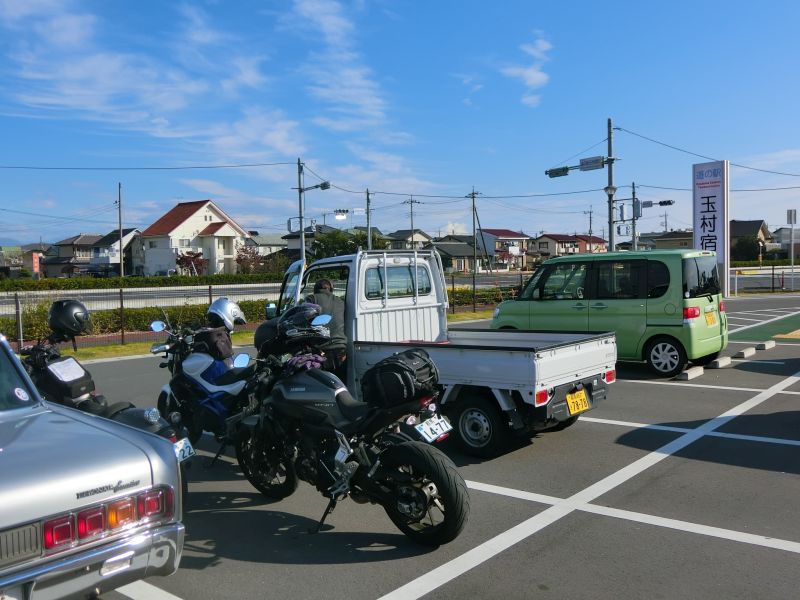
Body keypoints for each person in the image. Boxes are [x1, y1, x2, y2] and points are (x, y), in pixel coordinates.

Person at [305, 278, 347, 381]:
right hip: (341, 348)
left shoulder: (311, 299)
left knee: (319, 384)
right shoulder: (340, 301)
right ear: (331, 289)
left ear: (315, 289)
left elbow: (304, 320)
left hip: (320, 348)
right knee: (339, 384)